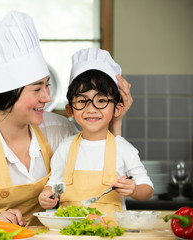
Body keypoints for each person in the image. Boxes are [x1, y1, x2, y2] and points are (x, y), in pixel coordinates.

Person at [0, 11, 133, 226]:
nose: (47, 97)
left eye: (47, 85)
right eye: (37, 88)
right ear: (8, 93)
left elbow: (102, 172)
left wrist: (116, 119)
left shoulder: (59, 131)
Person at [38, 48, 153, 224]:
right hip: (70, 234)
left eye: (101, 100)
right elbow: (54, 183)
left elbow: (147, 189)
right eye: (82, 101)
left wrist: (134, 189)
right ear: (70, 110)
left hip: (111, 234)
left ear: (117, 108)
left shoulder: (122, 148)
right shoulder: (65, 148)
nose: (91, 109)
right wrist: (46, 195)